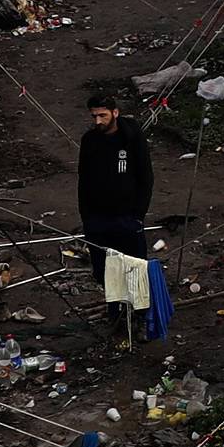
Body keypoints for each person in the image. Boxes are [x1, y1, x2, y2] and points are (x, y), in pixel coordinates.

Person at [77, 91, 153, 300]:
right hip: (98, 218)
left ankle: (138, 314)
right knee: (106, 272)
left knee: (134, 268)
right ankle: (115, 312)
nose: (98, 121)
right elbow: (83, 180)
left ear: (115, 113)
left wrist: (138, 214)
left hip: (127, 216)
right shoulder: (90, 141)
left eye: (103, 115)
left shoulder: (132, 138)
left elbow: (145, 176)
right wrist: (87, 218)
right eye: (94, 116)